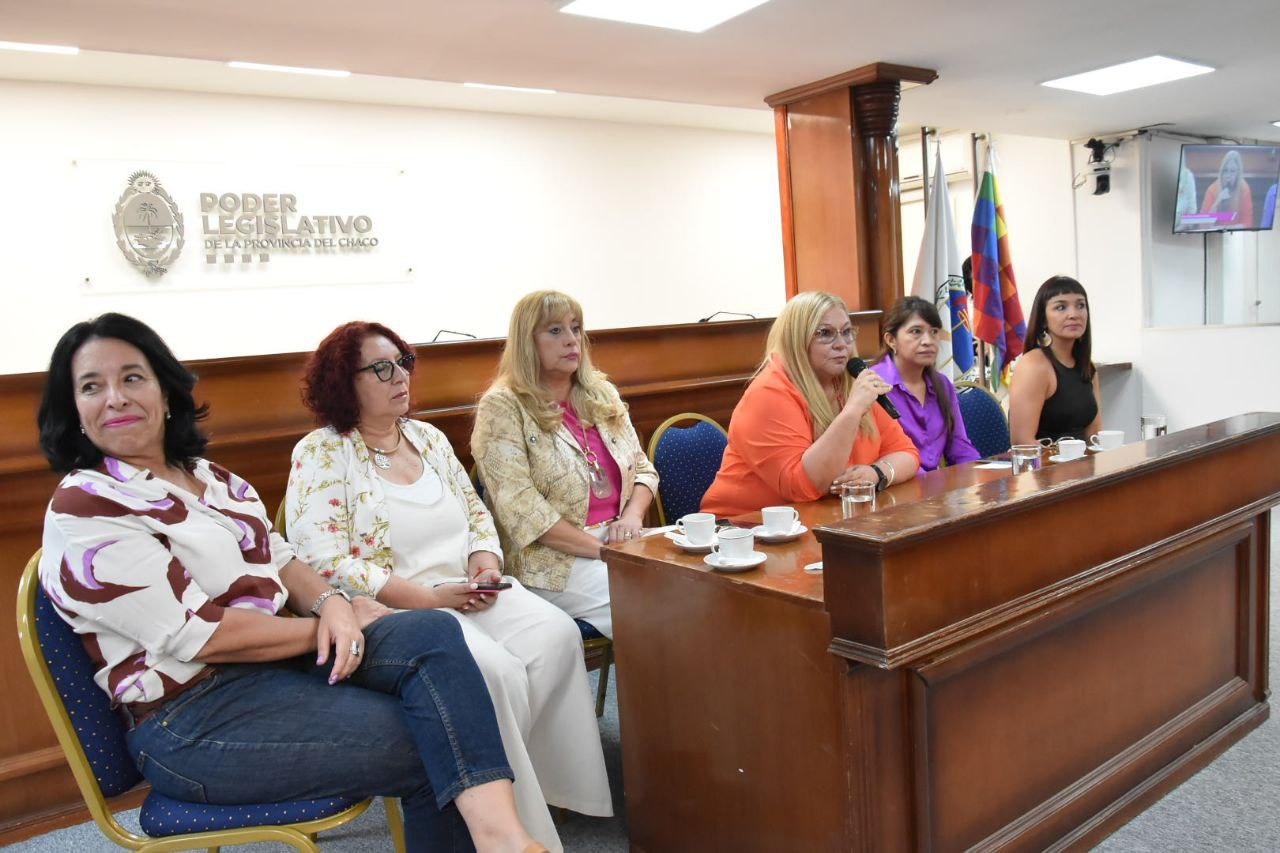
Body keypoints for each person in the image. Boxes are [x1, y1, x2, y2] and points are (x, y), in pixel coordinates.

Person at [36, 313, 544, 853]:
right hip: (192, 717)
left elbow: (281, 559)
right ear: (75, 411)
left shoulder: (211, 478)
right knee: (431, 736)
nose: (115, 397)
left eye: (132, 377)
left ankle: (503, 838)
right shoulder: (85, 507)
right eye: (91, 386)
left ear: (165, 391)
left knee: (432, 631)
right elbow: (201, 636)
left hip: (277, 669)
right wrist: (334, 625)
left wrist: (332, 603)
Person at [286, 322, 612, 851]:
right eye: (381, 368)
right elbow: (321, 557)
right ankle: (510, 824)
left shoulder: (429, 439)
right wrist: (427, 599)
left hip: (466, 588)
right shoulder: (322, 452)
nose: (400, 376)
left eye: (404, 362)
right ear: (343, 382)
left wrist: (484, 562)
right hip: (394, 609)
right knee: (495, 672)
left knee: (555, 637)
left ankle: (551, 789)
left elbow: (477, 513)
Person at [471, 291, 658, 639]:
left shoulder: (601, 393)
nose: (571, 340)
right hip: (551, 561)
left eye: (576, 328)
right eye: (555, 331)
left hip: (622, 539)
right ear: (527, 342)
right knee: (653, 603)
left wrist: (632, 518)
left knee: (699, 585)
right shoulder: (502, 407)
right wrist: (604, 552)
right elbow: (521, 510)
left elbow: (644, 470)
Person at [700, 291, 919, 518]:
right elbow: (803, 486)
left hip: (822, 519)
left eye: (846, 332)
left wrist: (877, 473)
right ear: (797, 340)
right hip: (746, 526)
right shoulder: (769, 394)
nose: (841, 344)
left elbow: (906, 453)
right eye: (825, 333)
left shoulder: (849, 383)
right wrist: (853, 411)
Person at [870, 296, 981, 471]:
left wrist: (980, 474)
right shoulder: (874, 384)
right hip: (896, 482)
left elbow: (959, 447)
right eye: (916, 331)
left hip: (937, 484)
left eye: (934, 332)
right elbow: (879, 454)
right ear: (891, 340)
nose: (928, 341)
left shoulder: (942, 384)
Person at [1007, 276, 1101, 445]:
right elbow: (1022, 442)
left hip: (1083, 460)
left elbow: (1094, 435)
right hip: (1044, 460)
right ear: (1043, 319)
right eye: (1061, 307)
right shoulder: (1033, 365)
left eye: (1080, 305)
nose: (1074, 314)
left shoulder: (1088, 366)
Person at [1199, 149, 1254, 228]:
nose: (1228, 175)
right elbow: (1203, 225)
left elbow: (1247, 223)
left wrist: (1231, 228)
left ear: (1238, 173)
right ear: (1221, 172)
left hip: (1237, 233)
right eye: (1225, 171)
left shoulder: (1244, 189)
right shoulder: (1212, 190)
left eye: (1232, 171)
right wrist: (1217, 201)